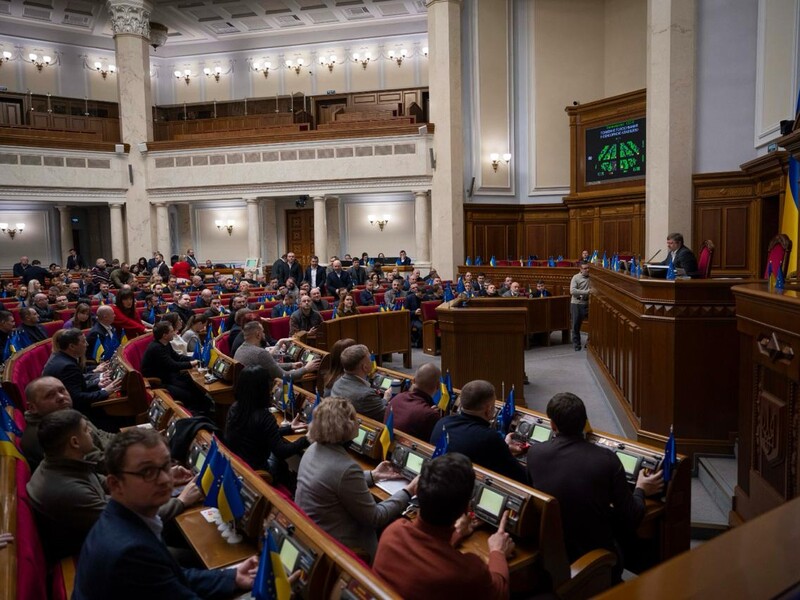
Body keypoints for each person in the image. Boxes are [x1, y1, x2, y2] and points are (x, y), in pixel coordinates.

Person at [72, 428, 258, 600]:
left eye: (165, 466)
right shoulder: (131, 552)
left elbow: (172, 577)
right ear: (115, 484)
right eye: (147, 471)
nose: (163, 479)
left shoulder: (125, 518)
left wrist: (232, 577)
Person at [27, 409, 200, 562]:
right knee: (190, 557)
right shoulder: (67, 490)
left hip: (107, 534)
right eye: (87, 431)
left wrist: (162, 476)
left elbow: (112, 487)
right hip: (99, 553)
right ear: (74, 442)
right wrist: (182, 501)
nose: (91, 435)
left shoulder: (66, 463)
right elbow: (128, 518)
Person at [526, 393, 663, 578]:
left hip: (552, 552)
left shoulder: (535, 453)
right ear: (585, 423)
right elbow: (632, 516)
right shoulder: (606, 460)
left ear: (552, 425)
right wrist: (640, 489)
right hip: (595, 555)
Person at [373, 453, 512, 598]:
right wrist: (498, 551)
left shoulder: (392, 532)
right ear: (466, 509)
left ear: (418, 492)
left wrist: (456, 533)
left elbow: (429, 554)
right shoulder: (468, 571)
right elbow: (499, 592)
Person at [295, 397, 417, 562]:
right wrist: (408, 491)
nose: (358, 422)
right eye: (354, 419)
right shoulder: (346, 469)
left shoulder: (313, 449)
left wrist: (374, 475)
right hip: (342, 549)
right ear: (344, 427)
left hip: (314, 535)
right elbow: (375, 517)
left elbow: (334, 482)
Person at [429, 380, 527, 483]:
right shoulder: (489, 437)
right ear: (488, 409)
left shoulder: (442, 423)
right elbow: (520, 476)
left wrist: (504, 446)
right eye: (493, 405)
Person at [224, 365, 310, 482]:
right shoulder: (264, 417)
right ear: (263, 390)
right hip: (257, 473)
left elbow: (256, 433)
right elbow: (281, 451)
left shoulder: (235, 407)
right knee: (287, 466)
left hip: (237, 466)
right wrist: (307, 438)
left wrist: (289, 428)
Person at [21, 376, 114, 473]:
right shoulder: (48, 435)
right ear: (32, 408)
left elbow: (101, 434)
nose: (61, 397)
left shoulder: (63, 412)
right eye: (50, 395)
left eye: (62, 390)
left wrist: (126, 438)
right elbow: (97, 465)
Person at [42, 328, 121, 417]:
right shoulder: (67, 366)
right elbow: (76, 398)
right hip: (72, 414)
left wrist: (97, 384)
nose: (87, 344)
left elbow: (74, 385)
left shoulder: (60, 357)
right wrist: (105, 392)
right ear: (72, 346)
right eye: (83, 342)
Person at [140, 321, 210, 414]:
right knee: (188, 394)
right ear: (165, 335)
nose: (175, 332)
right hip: (160, 381)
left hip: (169, 376)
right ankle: (194, 413)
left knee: (194, 385)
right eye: (172, 331)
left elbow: (177, 357)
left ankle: (205, 409)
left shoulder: (165, 343)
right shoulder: (156, 348)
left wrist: (195, 359)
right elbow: (172, 365)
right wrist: (191, 363)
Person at [234, 321, 319, 380]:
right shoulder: (260, 353)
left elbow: (270, 365)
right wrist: (306, 369)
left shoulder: (240, 349)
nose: (264, 335)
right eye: (263, 332)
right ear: (258, 334)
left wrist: (291, 365)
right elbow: (284, 376)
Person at [330, 344, 390, 422]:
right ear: (364, 367)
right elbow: (386, 415)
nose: (372, 361)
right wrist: (386, 399)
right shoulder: (366, 395)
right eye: (369, 358)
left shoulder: (337, 382)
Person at [384, 363, 442, 442]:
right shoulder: (430, 415)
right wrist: (433, 415)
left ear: (413, 381)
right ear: (438, 386)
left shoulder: (397, 398)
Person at [570, 262, 590, 351]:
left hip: (588, 304)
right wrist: (587, 292)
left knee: (593, 325)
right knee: (576, 325)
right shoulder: (576, 277)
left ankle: (588, 343)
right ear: (581, 269)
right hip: (577, 304)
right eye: (585, 268)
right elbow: (572, 291)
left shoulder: (591, 278)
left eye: (588, 268)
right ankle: (576, 345)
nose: (587, 270)